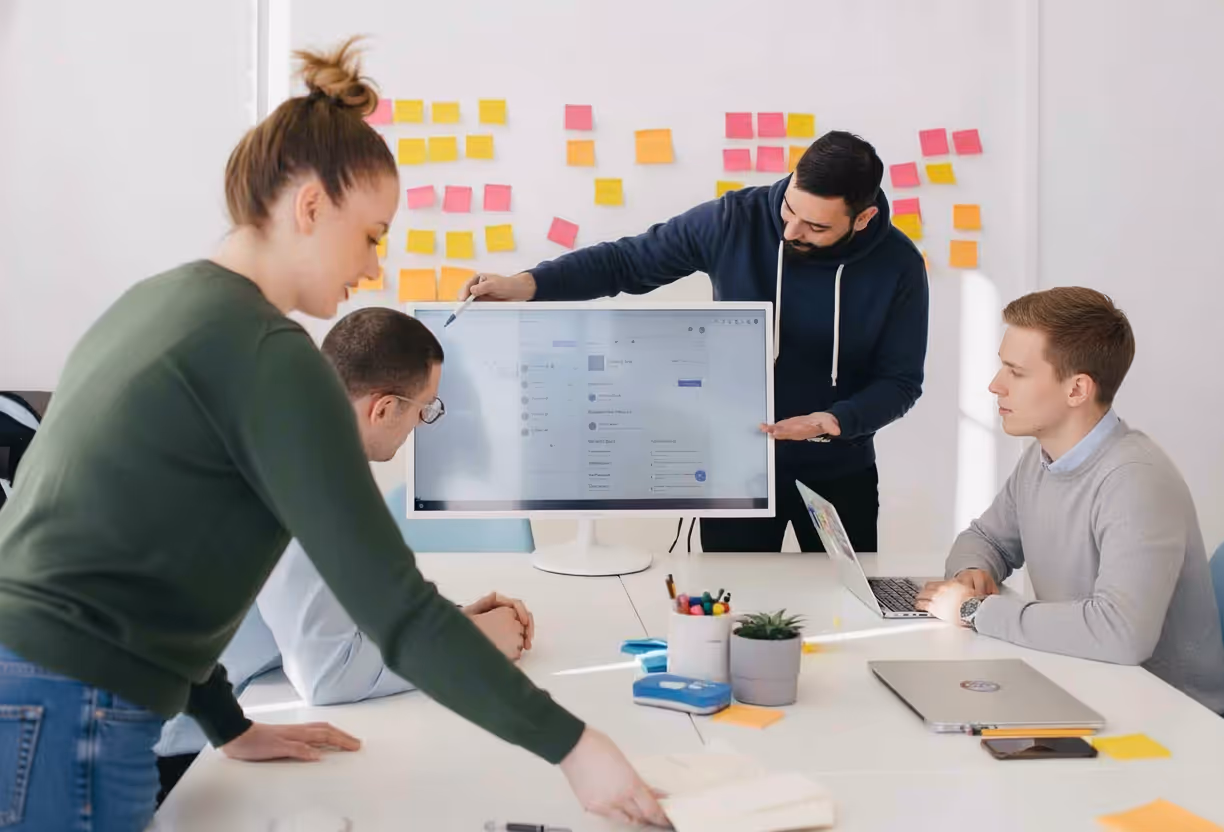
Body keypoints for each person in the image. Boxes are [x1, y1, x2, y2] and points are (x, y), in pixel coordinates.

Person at [0, 38, 666, 831]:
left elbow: (150, 559)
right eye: (372, 236)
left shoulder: (165, 304)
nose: (374, 270)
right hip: (72, 702)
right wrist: (577, 749)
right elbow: (398, 611)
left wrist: (230, 725)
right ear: (311, 206)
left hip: (41, 686)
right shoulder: (269, 354)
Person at [462, 131, 929, 555]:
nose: (790, 232)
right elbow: (625, 262)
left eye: (816, 227)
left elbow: (901, 381)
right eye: (789, 208)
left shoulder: (899, 265)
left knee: (847, 611)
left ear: (863, 218)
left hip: (838, 471)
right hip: (733, 470)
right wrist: (526, 284)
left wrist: (830, 421)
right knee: (731, 613)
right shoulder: (735, 220)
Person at [154, 308, 538, 801]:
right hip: (174, 752)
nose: (421, 425)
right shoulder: (306, 474)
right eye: (424, 409)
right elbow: (329, 675)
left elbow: (353, 592)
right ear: (382, 408)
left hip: (210, 707)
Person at [916, 287, 1224, 719]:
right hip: (1085, 688)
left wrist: (975, 610)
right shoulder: (1043, 456)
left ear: (1077, 390)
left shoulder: (1135, 480)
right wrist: (973, 572)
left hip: (1171, 723)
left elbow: (1120, 634)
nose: (996, 385)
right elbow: (985, 538)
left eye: (1016, 372)